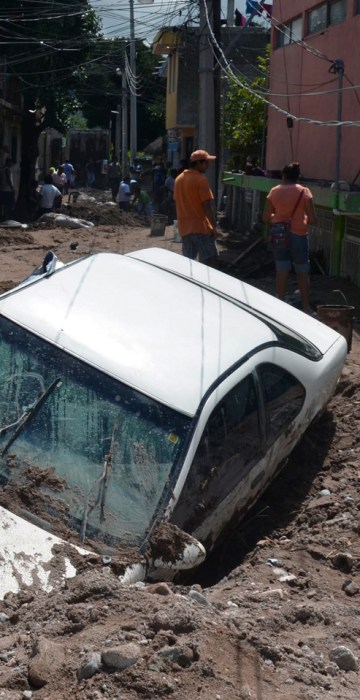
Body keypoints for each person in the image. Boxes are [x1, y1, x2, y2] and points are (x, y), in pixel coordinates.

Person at [262, 161, 316, 315]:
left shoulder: (274, 192)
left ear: (283, 175)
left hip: (279, 235)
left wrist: (277, 217)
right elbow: (312, 219)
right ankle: (306, 307)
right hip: (299, 235)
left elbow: (266, 217)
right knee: (302, 271)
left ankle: (280, 304)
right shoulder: (304, 192)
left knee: (282, 269)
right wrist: (301, 220)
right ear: (298, 177)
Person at [173, 149, 218, 267]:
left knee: (189, 263)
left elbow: (177, 201)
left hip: (184, 228)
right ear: (198, 163)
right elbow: (207, 207)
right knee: (210, 259)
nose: (208, 165)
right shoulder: (200, 180)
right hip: (200, 228)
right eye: (206, 162)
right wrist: (214, 227)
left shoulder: (178, 179)